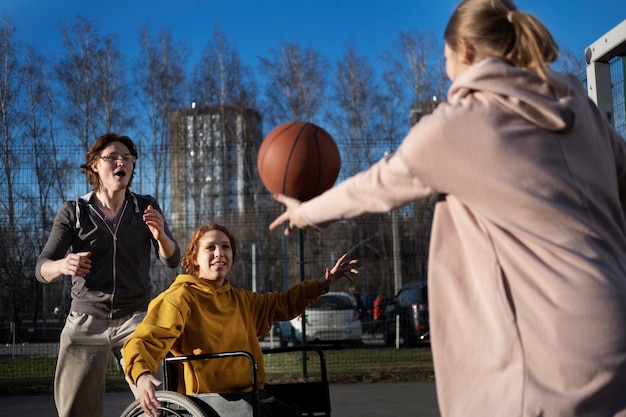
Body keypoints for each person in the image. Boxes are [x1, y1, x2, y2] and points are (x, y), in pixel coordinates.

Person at [268, 0, 626, 415]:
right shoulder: (581, 109)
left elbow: (375, 185)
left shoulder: (462, 123)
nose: (445, 67)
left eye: (445, 57)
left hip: (548, 340)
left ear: (466, 50)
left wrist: (304, 212)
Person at [122, 222, 358, 417]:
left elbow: (283, 304)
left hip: (251, 394)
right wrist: (142, 376)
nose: (219, 253)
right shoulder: (179, 298)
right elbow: (143, 341)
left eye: (225, 247)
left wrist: (322, 284)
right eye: (210, 247)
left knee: (305, 406)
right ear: (194, 258)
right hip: (211, 400)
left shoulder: (241, 299)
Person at [35, 132, 181, 417]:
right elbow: (42, 267)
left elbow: (172, 259)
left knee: (158, 402)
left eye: (126, 158)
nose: (121, 162)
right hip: (87, 321)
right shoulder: (74, 212)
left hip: (136, 319)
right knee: (76, 411)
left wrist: (161, 236)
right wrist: (63, 265)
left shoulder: (145, 206)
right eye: (112, 157)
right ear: (94, 165)